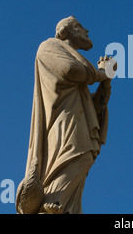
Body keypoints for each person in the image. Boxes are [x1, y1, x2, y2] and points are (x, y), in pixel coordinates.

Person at [16, 16, 115, 214]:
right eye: (80, 26)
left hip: (74, 118)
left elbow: (93, 107)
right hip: (62, 119)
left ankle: (64, 205)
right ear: (66, 31)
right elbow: (70, 70)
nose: (87, 30)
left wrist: (106, 83)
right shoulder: (49, 46)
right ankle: (53, 197)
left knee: (82, 160)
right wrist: (101, 73)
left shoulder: (74, 60)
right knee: (79, 155)